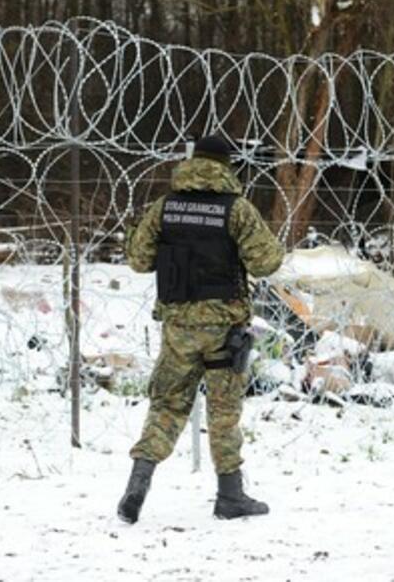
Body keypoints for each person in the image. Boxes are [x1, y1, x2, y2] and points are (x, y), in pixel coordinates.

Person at [117, 133, 285, 523]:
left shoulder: (166, 208)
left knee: (166, 406)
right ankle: (230, 495)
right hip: (225, 327)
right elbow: (267, 263)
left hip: (179, 325)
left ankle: (137, 484)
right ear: (227, 166)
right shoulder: (237, 210)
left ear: (193, 162)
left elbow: (138, 260)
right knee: (224, 412)